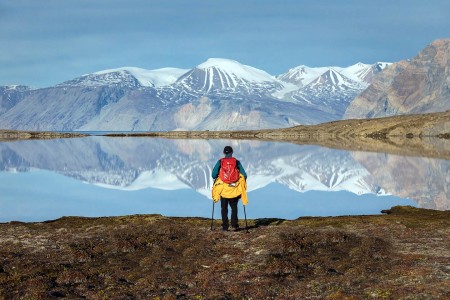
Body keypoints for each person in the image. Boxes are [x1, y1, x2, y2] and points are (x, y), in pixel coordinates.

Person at [211, 146, 247, 231]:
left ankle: (225, 227)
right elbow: (244, 175)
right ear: (232, 153)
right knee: (234, 207)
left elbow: (213, 175)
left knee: (224, 208)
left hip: (223, 189)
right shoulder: (236, 162)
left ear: (224, 153)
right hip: (234, 189)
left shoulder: (220, 162)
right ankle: (234, 225)